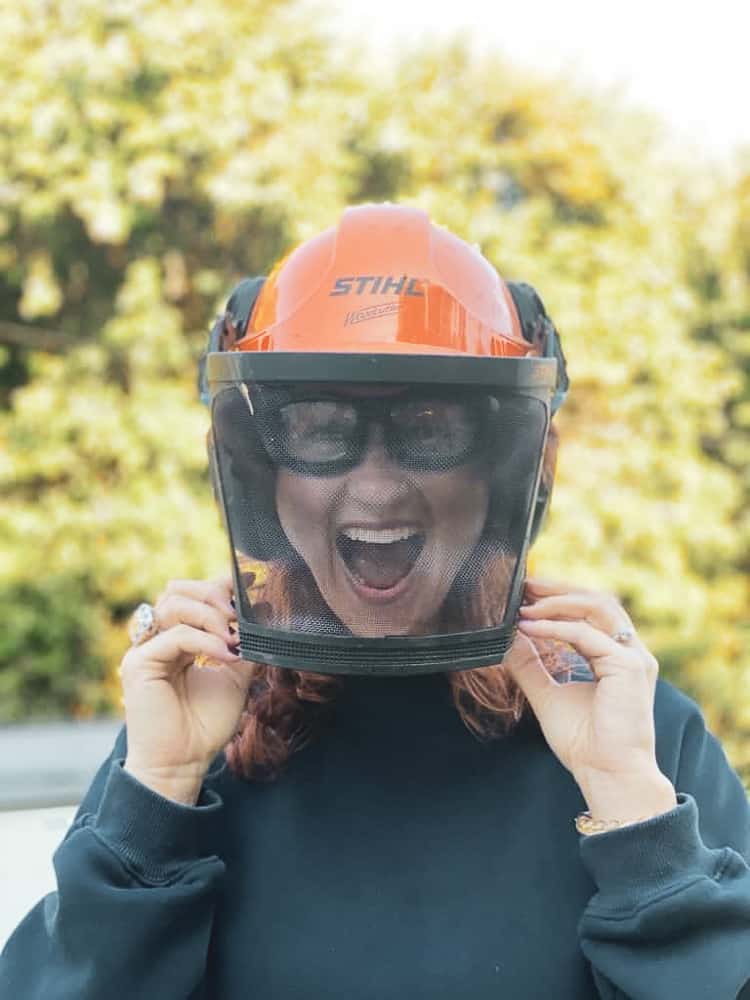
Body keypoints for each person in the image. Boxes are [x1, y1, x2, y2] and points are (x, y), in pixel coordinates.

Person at [1, 204, 748, 1000]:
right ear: (262, 475)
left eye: (431, 426)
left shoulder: (635, 732)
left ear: (502, 472)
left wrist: (632, 807)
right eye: (320, 427)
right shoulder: (198, 730)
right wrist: (157, 790)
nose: (380, 486)